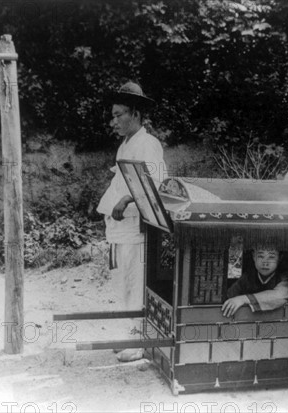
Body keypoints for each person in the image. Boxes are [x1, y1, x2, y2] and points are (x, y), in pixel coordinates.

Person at [96, 81, 167, 362]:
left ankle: (141, 341)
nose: (113, 121)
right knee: (123, 283)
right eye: (112, 115)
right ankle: (129, 333)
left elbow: (157, 184)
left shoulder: (149, 145)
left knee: (136, 283)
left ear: (136, 114)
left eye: (118, 115)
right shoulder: (126, 145)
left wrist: (126, 201)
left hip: (137, 228)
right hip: (120, 229)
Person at [221, 244, 288, 318]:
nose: (265, 263)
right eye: (260, 256)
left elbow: (281, 295)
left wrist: (243, 299)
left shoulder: (283, 278)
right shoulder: (247, 277)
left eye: (271, 257)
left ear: (279, 258)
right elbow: (230, 296)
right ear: (254, 257)